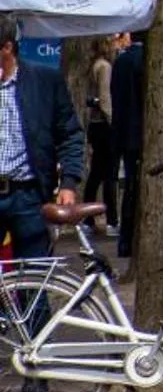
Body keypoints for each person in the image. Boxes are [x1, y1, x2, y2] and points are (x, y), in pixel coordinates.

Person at [0, 16, 88, 262]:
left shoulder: (44, 80)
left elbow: (69, 133)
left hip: (27, 195)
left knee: (33, 277)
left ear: (7, 48)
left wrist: (69, 182)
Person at [82, 32, 129, 240]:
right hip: (104, 126)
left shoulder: (95, 65)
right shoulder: (105, 67)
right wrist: (114, 122)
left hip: (95, 126)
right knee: (109, 174)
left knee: (96, 174)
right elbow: (105, 98)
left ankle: (88, 218)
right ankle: (111, 219)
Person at [110, 34, 143, 257]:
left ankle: (125, 241)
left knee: (130, 187)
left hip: (124, 134)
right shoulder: (141, 60)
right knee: (134, 188)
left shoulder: (121, 61)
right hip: (138, 132)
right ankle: (128, 240)